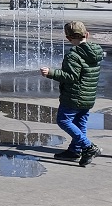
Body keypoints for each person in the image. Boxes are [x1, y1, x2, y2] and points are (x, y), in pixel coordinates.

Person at [40, 20, 105, 166]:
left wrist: (51, 73)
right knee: (80, 123)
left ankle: (88, 147)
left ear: (68, 38)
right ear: (87, 34)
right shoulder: (96, 52)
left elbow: (71, 77)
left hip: (73, 96)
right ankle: (75, 150)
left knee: (64, 121)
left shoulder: (73, 55)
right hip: (88, 96)